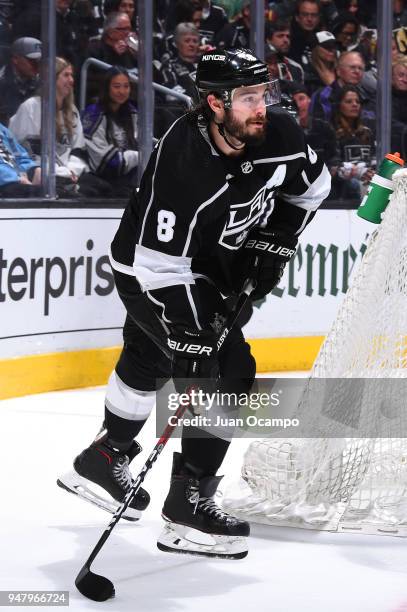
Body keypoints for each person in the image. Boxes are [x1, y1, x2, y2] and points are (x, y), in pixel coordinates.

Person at [57, 48, 331, 558]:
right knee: (228, 369)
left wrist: (277, 238)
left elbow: (314, 188)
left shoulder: (281, 135)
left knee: (149, 353)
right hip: (149, 271)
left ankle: (103, 456)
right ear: (214, 103)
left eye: (261, 93)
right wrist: (188, 331)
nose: (260, 106)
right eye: (247, 97)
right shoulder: (182, 165)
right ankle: (188, 506)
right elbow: (160, 265)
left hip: (214, 269)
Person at [9, 57, 108, 197]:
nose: (71, 81)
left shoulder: (72, 111)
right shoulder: (31, 108)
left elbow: (78, 151)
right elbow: (29, 154)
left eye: (72, 75)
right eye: (66, 75)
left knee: (103, 188)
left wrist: (72, 170)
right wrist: (62, 172)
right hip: (40, 175)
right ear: (52, 79)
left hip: (69, 174)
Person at [81, 66, 138, 196]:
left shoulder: (133, 113)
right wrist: (137, 157)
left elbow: (139, 148)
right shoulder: (94, 114)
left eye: (126, 86)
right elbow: (104, 163)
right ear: (107, 88)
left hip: (128, 179)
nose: (122, 91)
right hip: (102, 181)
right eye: (117, 86)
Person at [331, 84, 375, 199]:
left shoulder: (367, 131)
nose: (355, 104)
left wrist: (372, 172)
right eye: (349, 101)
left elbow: (374, 158)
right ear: (339, 105)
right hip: (344, 184)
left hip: (367, 180)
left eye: (357, 101)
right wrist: (356, 171)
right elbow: (332, 166)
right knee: (354, 185)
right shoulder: (332, 131)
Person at [0, 37, 41, 124]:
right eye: (32, 61)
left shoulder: (43, 83)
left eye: (39, 61)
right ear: (15, 59)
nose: (37, 66)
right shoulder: (2, 84)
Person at [0, 121, 41, 197]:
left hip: (16, 174)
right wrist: (17, 177)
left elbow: (20, 155)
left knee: (53, 186)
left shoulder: (2, 129)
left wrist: (34, 169)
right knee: (39, 193)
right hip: (5, 181)